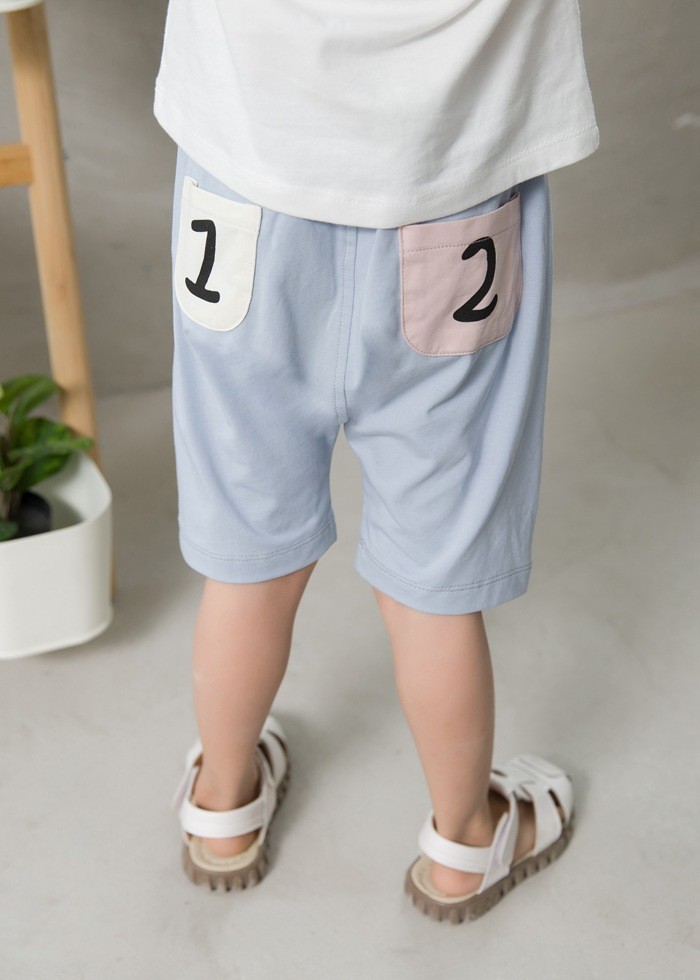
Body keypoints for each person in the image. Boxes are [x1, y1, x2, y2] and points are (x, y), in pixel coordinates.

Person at [156, 0, 598, 922]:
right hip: (453, 195)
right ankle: (464, 840)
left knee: (249, 551)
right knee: (433, 573)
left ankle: (224, 808)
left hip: (245, 189)